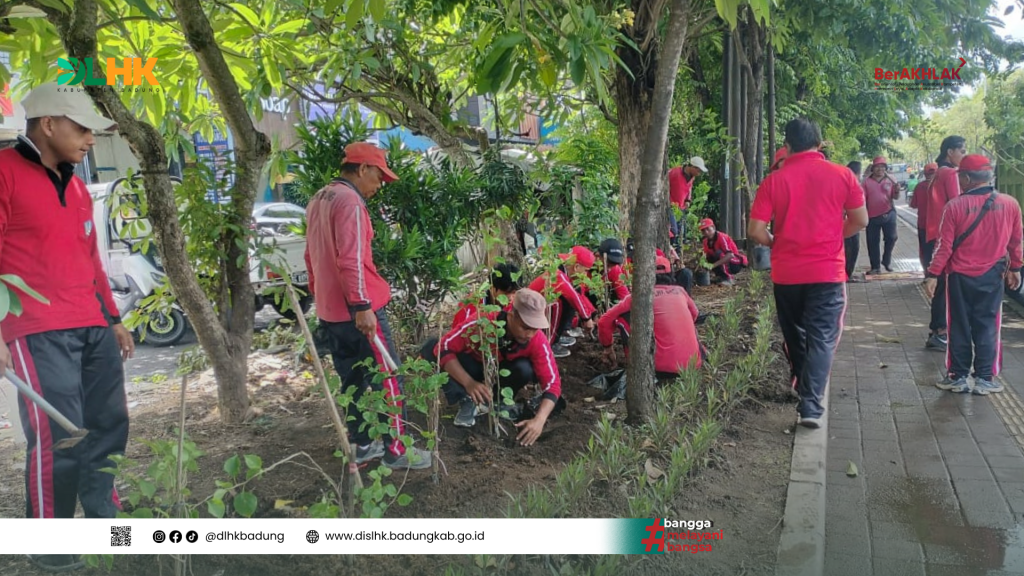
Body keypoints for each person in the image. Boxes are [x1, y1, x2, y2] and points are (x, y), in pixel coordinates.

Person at [0, 83, 136, 571]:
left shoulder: (76, 184)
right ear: (48, 124)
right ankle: (51, 544)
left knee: (108, 426)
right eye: (82, 128)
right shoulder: (3, 172)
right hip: (36, 328)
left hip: (92, 325)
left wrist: (113, 319)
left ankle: (107, 519)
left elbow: (90, 258)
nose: (90, 140)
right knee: (60, 438)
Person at [305, 142, 431, 470]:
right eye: (378, 177)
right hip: (359, 311)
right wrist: (363, 307)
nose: (379, 187)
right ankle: (398, 450)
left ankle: (361, 446)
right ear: (362, 169)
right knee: (389, 376)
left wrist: (322, 301)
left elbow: (311, 258)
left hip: (331, 312)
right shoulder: (351, 202)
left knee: (353, 380)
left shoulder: (320, 198)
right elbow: (352, 261)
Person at [747, 118, 868, 429]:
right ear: (821, 143)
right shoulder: (843, 175)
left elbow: (756, 231)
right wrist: (832, 235)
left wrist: (776, 241)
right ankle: (811, 404)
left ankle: (804, 390)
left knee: (795, 336)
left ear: (787, 147)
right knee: (823, 338)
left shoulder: (774, 180)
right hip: (827, 273)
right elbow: (861, 221)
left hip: (786, 274)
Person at [924, 155, 1023, 395]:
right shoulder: (1010, 204)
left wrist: (933, 274)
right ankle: (985, 379)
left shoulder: (954, 207)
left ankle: (958, 376)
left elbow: (943, 246)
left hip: (959, 277)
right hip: (992, 276)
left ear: (967, 178)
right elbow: (1016, 241)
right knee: (988, 325)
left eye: (961, 177)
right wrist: (1016, 269)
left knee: (959, 325)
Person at [423, 289, 560, 445]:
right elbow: (443, 346)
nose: (530, 334)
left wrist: (539, 420)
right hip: (473, 370)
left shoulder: (537, 340)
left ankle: (497, 402)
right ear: (511, 315)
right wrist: (469, 383)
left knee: (524, 368)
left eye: (535, 329)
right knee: (430, 347)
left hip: (501, 377)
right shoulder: (483, 322)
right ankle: (466, 399)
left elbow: (552, 383)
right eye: (525, 327)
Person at [598, 257, 703, 374]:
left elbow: (604, 321)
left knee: (622, 318)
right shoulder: (680, 291)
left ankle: (636, 369)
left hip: (659, 368)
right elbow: (695, 314)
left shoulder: (638, 297)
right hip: (693, 364)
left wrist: (608, 347)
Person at [922, 136, 967, 352]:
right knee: (944, 287)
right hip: (946, 237)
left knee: (940, 285)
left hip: (935, 235)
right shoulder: (950, 173)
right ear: (950, 152)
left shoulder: (939, 172)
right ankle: (940, 331)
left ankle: (936, 331)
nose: (964, 155)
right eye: (962, 151)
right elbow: (957, 203)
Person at [528, 245, 597, 358]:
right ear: (576, 267)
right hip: (531, 312)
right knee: (558, 304)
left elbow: (579, 296)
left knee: (566, 302)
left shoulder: (567, 274)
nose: (586, 275)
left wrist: (592, 313)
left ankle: (557, 337)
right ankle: (550, 343)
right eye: (585, 271)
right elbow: (573, 296)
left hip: (538, 311)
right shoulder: (559, 275)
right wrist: (586, 319)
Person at [451, 263, 520, 329]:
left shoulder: (516, 307)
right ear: (492, 287)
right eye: (506, 293)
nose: (511, 298)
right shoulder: (470, 306)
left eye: (514, 293)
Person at [862, 156, 900, 275]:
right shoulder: (866, 182)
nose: (880, 169)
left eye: (882, 167)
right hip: (872, 216)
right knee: (872, 241)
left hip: (889, 213)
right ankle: (875, 267)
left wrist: (897, 190)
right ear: (873, 168)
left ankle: (886, 261)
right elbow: (862, 199)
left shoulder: (891, 179)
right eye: (877, 167)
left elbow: (896, 197)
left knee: (892, 237)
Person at [699, 218, 748, 286]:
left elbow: (730, 255)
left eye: (708, 229)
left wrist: (713, 265)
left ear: (713, 227)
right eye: (703, 231)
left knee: (719, 253)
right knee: (709, 257)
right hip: (722, 262)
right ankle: (720, 276)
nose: (706, 232)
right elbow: (705, 255)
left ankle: (728, 278)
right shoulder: (705, 241)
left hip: (734, 262)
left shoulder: (721, 237)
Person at [909, 163, 939, 270]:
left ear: (925, 174)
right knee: (939, 250)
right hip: (939, 225)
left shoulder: (919, 186)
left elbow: (913, 204)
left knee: (925, 251)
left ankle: (927, 274)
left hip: (924, 225)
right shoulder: (941, 186)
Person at [844, 161, 863, 281]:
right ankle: (847, 274)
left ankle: (847, 274)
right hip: (849, 222)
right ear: (858, 173)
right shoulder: (852, 184)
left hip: (845, 221)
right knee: (851, 249)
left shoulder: (842, 181)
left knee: (849, 249)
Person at [597, 238, 630, 305]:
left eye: (615, 263)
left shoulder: (615, 269)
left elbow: (625, 298)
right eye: (609, 262)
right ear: (598, 256)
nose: (610, 268)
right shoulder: (586, 267)